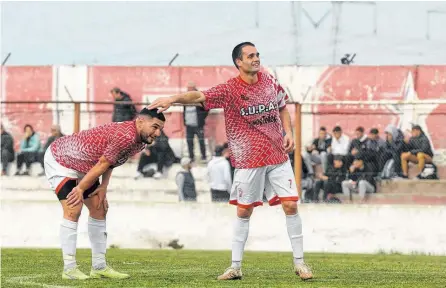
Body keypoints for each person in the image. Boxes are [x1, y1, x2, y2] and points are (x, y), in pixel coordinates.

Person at [148, 42, 312, 281]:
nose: (256, 59)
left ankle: (300, 263)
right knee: (244, 211)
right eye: (250, 56)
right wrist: (173, 98)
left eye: (257, 55)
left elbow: (282, 106)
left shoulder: (269, 81)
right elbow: (199, 96)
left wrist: (288, 132)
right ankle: (235, 267)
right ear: (239, 62)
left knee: (291, 206)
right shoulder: (230, 89)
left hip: (277, 155)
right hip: (248, 160)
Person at [43, 108, 165, 280]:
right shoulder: (126, 135)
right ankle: (69, 269)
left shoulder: (141, 141)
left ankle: (99, 266)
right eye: (155, 127)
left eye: (160, 128)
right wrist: (79, 189)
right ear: (140, 121)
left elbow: (111, 162)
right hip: (61, 159)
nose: (158, 133)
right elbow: (104, 162)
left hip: (86, 165)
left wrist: (104, 187)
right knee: (73, 208)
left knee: (99, 208)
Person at [183, 81, 209, 162]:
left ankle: (204, 157)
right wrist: (184, 120)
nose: (188, 90)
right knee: (189, 142)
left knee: (201, 141)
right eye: (187, 88)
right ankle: (191, 157)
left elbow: (207, 107)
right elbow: (184, 110)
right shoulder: (185, 97)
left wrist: (202, 117)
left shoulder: (199, 96)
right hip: (189, 125)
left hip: (198, 125)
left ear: (193, 88)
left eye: (189, 88)